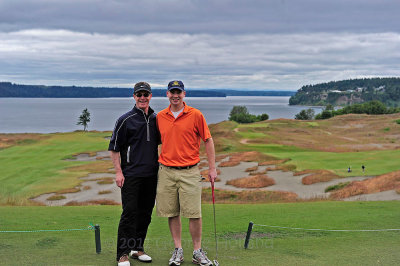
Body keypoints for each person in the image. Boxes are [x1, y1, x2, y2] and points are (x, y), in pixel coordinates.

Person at [156, 80, 217, 266]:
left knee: (194, 213)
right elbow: (156, 143)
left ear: (184, 94)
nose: (175, 95)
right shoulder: (160, 116)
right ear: (167, 94)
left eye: (178, 92)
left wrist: (212, 168)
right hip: (166, 171)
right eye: (172, 92)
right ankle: (178, 250)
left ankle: (197, 251)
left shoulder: (196, 114)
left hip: (190, 171)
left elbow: (208, 140)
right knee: (172, 212)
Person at [109, 82, 159, 266]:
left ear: (151, 96)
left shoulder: (156, 119)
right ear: (134, 96)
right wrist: (118, 172)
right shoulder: (125, 119)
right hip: (131, 175)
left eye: (145, 94)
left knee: (145, 213)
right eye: (139, 94)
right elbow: (114, 148)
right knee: (129, 213)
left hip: (151, 175)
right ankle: (122, 253)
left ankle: (137, 249)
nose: (142, 97)